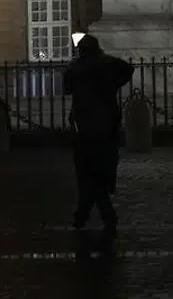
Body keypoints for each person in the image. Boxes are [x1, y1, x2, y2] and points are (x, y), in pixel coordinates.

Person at [64, 35, 134, 237]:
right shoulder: (106, 67)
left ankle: (88, 215)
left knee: (87, 176)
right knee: (99, 176)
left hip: (85, 129)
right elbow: (126, 70)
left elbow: (66, 86)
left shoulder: (77, 70)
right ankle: (91, 215)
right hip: (105, 128)